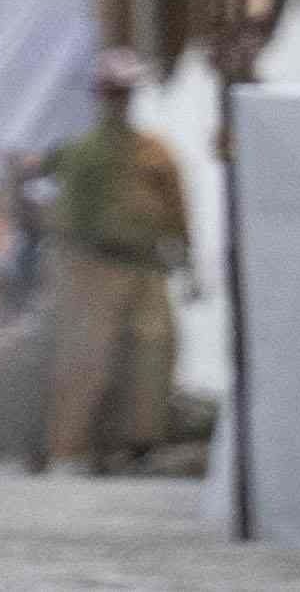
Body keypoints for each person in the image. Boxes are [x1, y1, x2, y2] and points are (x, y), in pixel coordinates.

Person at [36, 63, 188, 466]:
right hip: (92, 266)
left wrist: (184, 256)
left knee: (154, 350)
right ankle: (68, 448)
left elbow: (176, 208)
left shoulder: (154, 152)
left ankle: (139, 444)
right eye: (111, 93)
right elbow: (63, 217)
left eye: (123, 94)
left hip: (143, 264)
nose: (118, 102)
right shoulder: (83, 152)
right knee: (86, 358)